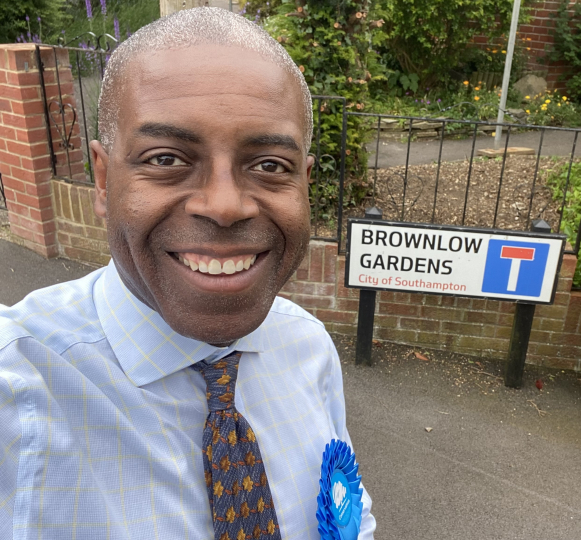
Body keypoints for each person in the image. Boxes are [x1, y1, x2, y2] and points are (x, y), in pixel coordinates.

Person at [0, 7, 375, 540]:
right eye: (166, 158)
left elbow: (352, 518)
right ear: (104, 181)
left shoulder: (308, 348)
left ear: (304, 182)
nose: (225, 206)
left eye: (270, 165)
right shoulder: (20, 387)